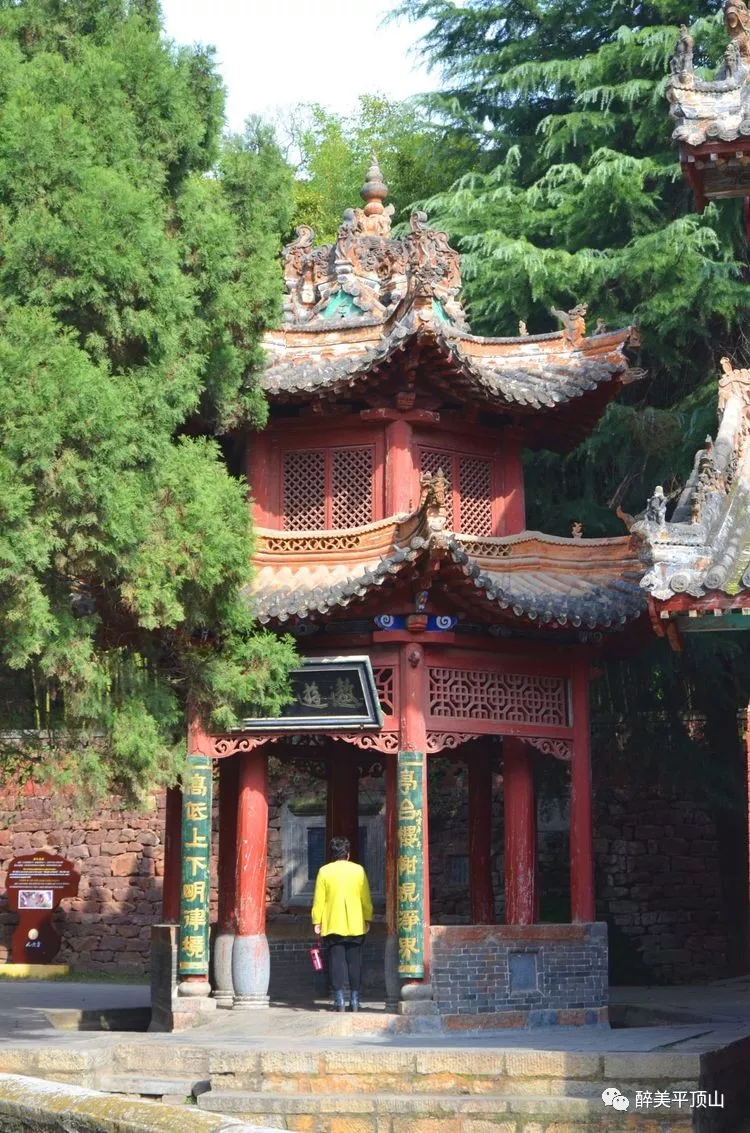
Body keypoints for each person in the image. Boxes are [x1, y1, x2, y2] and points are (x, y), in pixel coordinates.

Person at [311, 836, 373, 1012]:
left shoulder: (324, 871)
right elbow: (365, 898)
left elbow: (319, 900)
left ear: (333, 854)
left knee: (336, 962)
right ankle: (354, 1000)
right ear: (348, 854)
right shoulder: (358, 870)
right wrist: (367, 918)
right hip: (355, 923)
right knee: (355, 963)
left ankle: (339, 1001)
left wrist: (317, 921)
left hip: (333, 924)